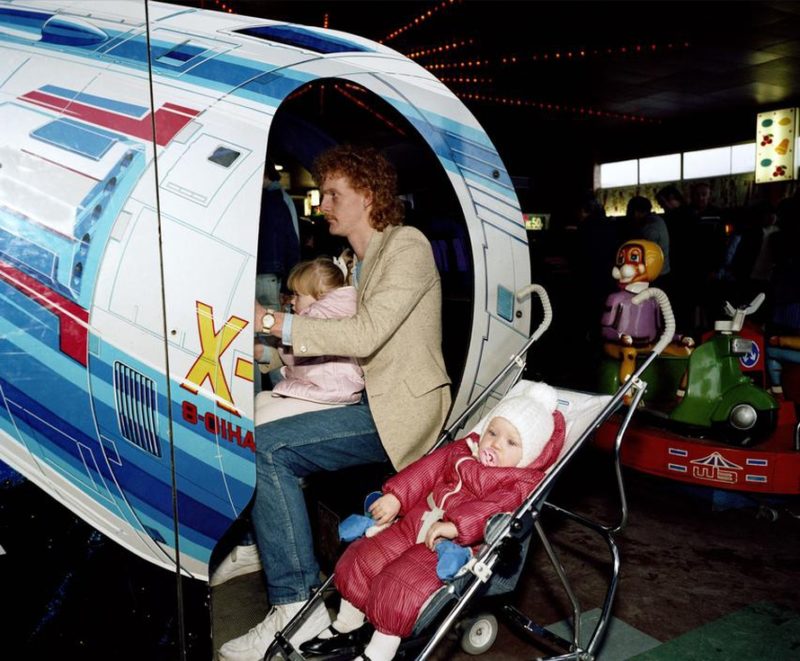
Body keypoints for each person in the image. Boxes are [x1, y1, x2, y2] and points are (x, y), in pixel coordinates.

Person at [218, 144, 452, 661]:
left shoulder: (405, 246)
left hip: (400, 412)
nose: (322, 203)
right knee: (245, 425)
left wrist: (270, 321)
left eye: (333, 193)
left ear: (368, 195)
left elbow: (365, 334)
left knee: (268, 449)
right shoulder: (353, 261)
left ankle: (295, 608)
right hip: (359, 402)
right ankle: (257, 545)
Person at [299, 381, 566, 661]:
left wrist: (456, 526)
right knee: (362, 558)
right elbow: (425, 471)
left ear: (529, 455)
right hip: (415, 522)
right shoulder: (463, 450)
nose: (495, 443)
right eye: (493, 432)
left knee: (400, 586)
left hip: (448, 546)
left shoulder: (520, 482)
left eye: (511, 442)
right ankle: (347, 626)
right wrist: (397, 497)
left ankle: (379, 653)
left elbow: (494, 507)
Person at [253, 255, 364, 424]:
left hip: (330, 394)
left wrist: (276, 332)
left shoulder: (322, 316)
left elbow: (293, 354)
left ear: (321, 296)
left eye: (297, 295)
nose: (292, 301)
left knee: (260, 420)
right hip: (323, 390)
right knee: (260, 399)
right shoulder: (329, 316)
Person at [255, 159, 300, 309]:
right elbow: (293, 241)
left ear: (264, 173)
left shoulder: (259, 200)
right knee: (270, 325)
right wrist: (290, 283)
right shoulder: (281, 199)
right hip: (271, 274)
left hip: (255, 272)